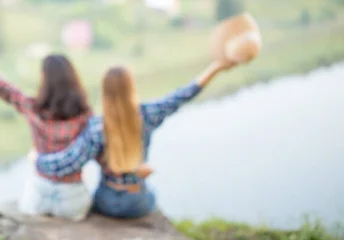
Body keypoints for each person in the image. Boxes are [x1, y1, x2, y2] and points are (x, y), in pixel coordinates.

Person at [35, 60, 235, 219]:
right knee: (152, 194)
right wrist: (215, 67)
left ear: (105, 92)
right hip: (138, 201)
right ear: (131, 87)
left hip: (107, 201)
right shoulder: (147, 115)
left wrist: (38, 159)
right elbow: (182, 95)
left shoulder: (97, 128)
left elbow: (69, 161)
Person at [0, 44, 94, 220]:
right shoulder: (85, 115)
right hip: (73, 194)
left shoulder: (33, 108)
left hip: (41, 192)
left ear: (45, 81)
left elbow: (0, 83)